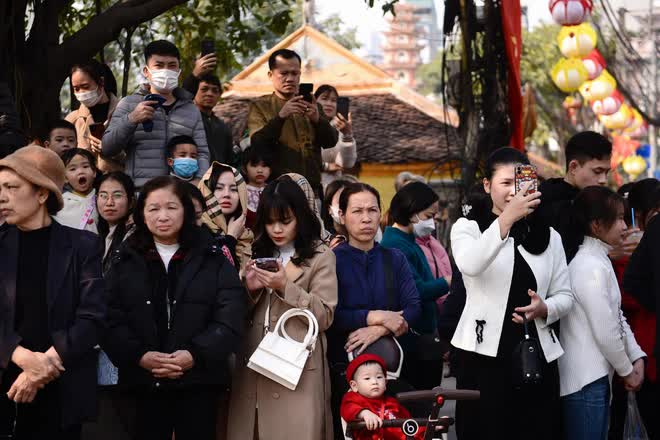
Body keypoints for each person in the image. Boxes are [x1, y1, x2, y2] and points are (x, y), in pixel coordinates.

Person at [102, 176, 246, 440]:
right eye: (153, 209)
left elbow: (230, 315)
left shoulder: (211, 255)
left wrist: (195, 354)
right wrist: (139, 355)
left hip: (199, 380)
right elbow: (110, 317)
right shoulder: (125, 258)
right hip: (142, 380)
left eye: (171, 207)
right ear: (142, 214)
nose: (163, 216)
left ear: (186, 211)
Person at [450, 147, 575, 440]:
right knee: (485, 430)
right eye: (505, 183)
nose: (514, 192)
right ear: (486, 185)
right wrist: (505, 220)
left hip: (536, 353)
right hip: (483, 356)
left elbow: (565, 295)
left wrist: (545, 308)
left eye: (520, 183)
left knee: (537, 429)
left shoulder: (549, 234)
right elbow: (471, 263)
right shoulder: (467, 228)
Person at [0, 146, 105, 439]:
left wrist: (44, 366)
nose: (1, 197)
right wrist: (23, 358)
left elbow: (93, 318)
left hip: (62, 387)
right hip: (6, 380)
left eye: (11, 187)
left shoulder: (83, 246)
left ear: (43, 194)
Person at [227, 178, 338, 440]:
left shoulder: (320, 256)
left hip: (297, 369)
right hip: (253, 366)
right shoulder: (253, 253)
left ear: (300, 217)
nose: (277, 229)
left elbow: (324, 315)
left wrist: (285, 286)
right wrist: (249, 289)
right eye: (269, 221)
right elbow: (234, 315)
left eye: (285, 220)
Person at [328, 182, 421, 438]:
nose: (366, 218)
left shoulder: (395, 258)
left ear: (381, 214)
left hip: (393, 371)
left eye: (372, 210)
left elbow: (413, 307)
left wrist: (378, 330)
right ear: (342, 216)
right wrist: (375, 316)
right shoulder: (331, 260)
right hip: (344, 372)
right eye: (357, 211)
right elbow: (330, 314)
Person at [560, 186, 645, 440]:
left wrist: (636, 355)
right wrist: (627, 370)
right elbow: (606, 329)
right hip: (586, 382)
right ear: (596, 225)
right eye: (618, 218)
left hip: (593, 380)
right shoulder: (589, 266)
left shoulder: (598, 261)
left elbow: (615, 317)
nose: (624, 226)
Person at [102, 40, 210, 188]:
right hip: (142, 192)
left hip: (181, 192)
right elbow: (107, 148)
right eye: (159, 65)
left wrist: (198, 182)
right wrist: (132, 119)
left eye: (172, 66)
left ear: (179, 71)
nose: (166, 70)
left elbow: (203, 152)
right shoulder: (128, 104)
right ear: (146, 71)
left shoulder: (191, 109)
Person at [82, 171, 136, 440]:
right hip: (97, 334)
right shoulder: (97, 235)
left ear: (130, 200)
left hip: (120, 331)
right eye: (102, 195)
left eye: (117, 195)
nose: (109, 202)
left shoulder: (134, 237)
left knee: (116, 412)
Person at [380, 181, 450, 390]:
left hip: (424, 339)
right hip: (413, 343)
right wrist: (448, 282)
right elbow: (417, 290)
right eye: (429, 216)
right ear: (412, 214)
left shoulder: (409, 241)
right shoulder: (395, 245)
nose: (432, 222)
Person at [247, 49, 338, 199]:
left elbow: (331, 141)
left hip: (312, 190)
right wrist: (281, 116)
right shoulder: (260, 106)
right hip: (278, 191)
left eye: (295, 74)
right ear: (271, 75)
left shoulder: (313, 105)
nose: (290, 78)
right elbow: (257, 144)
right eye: (283, 73)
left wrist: (317, 119)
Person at [536, 131, 612, 261]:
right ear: (573, 167)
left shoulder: (596, 203)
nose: (603, 180)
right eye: (598, 171)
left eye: (607, 172)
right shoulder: (546, 203)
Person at [340, 354, 423, 440]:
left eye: (379, 377)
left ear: (386, 382)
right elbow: (348, 409)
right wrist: (364, 413)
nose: (374, 381)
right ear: (354, 386)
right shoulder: (352, 398)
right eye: (367, 378)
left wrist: (427, 427)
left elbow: (410, 424)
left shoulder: (393, 403)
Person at [66, 59, 124, 173]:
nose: (81, 93)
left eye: (85, 86)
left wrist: (111, 149)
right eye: (76, 89)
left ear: (101, 82)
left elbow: (138, 156)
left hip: (118, 185)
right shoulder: (73, 120)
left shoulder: (125, 112)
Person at [183, 55, 236, 166]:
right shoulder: (186, 119)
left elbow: (228, 160)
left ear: (219, 95)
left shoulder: (223, 127)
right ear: (194, 92)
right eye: (204, 89)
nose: (209, 94)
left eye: (214, 90)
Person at [197, 162, 252, 271]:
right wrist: (231, 237)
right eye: (219, 188)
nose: (226, 194)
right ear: (207, 192)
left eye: (234, 189)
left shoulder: (246, 235)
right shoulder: (198, 231)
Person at [313, 85, 357, 187]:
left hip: (332, 187)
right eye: (324, 99)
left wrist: (347, 135)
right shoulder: (304, 124)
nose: (329, 104)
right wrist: (326, 166)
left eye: (333, 100)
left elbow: (346, 163)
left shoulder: (340, 128)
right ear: (314, 101)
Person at [53, 148, 99, 234]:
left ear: (94, 172)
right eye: (73, 169)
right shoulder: (61, 202)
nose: (80, 172)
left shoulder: (101, 197)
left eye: (85, 166)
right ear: (65, 178)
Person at [242, 145, 274, 229]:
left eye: (264, 166)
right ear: (244, 169)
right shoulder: (241, 192)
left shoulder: (274, 190)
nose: (260, 170)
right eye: (254, 165)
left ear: (271, 169)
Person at [322, 178, 352, 249]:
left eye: (349, 201)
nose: (345, 206)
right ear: (329, 209)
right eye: (340, 201)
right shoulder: (322, 240)